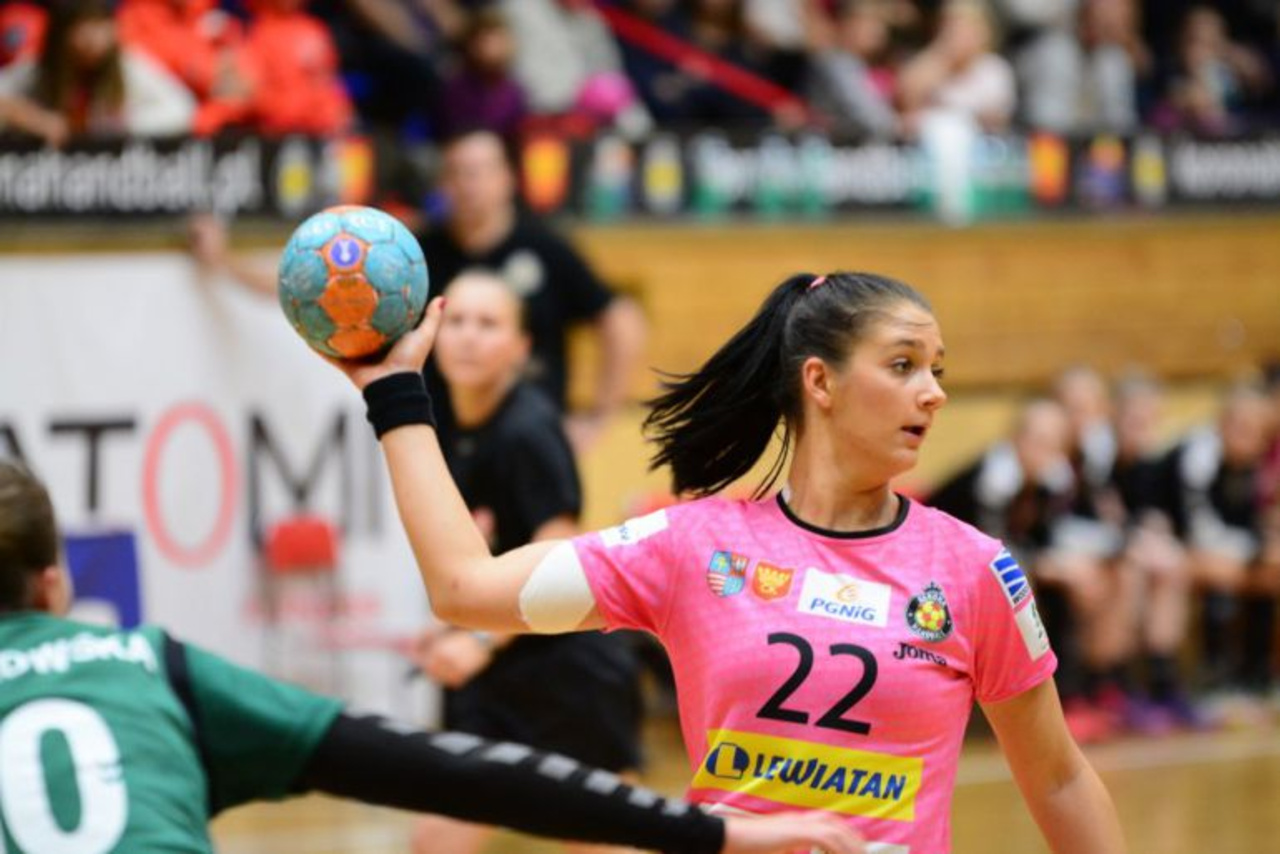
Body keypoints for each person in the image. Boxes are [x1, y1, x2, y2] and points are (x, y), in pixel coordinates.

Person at [325, 270, 1127, 853]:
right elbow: (464, 588)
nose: (934, 392)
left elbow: (1058, 778)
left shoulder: (975, 568)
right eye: (903, 364)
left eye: (937, 370)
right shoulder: (693, 545)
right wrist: (396, 393)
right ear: (819, 382)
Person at [0, 458, 864, 854]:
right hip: (520, 670)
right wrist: (716, 834)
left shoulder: (525, 433)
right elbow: (456, 770)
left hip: (559, 668)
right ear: (53, 584)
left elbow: (526, 561)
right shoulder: (149, 665)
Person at [410, 271, 643, 854]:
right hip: (501, 672)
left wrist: (478, 640)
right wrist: (453, 627)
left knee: (600, 838)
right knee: (436, 837)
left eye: (488, 324)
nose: (468, 336)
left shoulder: (528, 429)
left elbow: (558, 551)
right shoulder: (448, 423)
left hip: (569, 670)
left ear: (521, 347)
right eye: (456, 321)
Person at [417, 128, 647, 451]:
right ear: (442, 184)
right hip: (439, 441)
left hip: (530, 443)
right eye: (456, 172)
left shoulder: (545, 248)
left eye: (478, 172)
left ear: (507, 178)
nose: (467, 185)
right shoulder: (418, 256)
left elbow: (622, 319)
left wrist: (599, 417)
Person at [0, 0, 195, 147]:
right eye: (83, 25)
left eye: (101, 24)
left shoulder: (127, 67)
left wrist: (122, 124)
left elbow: (181, 110)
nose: (93, 37)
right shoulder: (39, 69)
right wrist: (32, 119)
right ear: (61, 32)